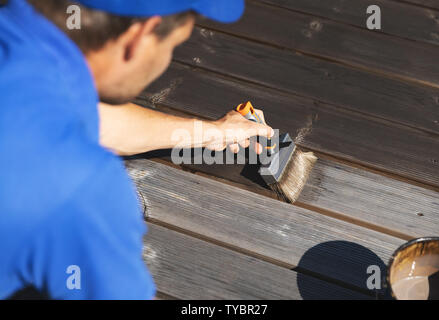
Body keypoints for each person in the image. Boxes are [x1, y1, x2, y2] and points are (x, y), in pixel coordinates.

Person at [0, 0, 274, 299]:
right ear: (141, 34)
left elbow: (92, 117)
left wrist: (212, 133)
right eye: (173, 45)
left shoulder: (19, 44)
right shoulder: (82, 190)